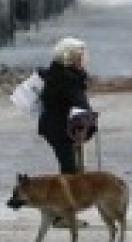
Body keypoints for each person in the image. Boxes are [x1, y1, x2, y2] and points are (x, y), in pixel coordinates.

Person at [37, 37, 92, 174]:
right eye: (78, 58)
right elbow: (81, 104)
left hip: (56, 126)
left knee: (71, 165)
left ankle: (70, 191)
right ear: (68, 59)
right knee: (70, 167)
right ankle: (67, 193)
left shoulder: (56, 72)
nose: (82, 61)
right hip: (60, 128)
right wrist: (90, 121)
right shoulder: (67, 79)